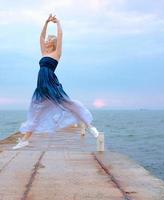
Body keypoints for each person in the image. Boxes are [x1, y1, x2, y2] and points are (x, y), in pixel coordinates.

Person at [12, 14, 100, 150]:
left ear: (52, 43)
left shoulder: (56, 53)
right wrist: (46, 22)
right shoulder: (43, 53)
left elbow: (60, 35)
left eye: (48, 41)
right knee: (36, 112)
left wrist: (57, 22)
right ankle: (24, 140)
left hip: (51, 84)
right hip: (41, 86)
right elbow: (40, 37)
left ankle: (90, 126)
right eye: (46, 41)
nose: (46, 41)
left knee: (69, 104)